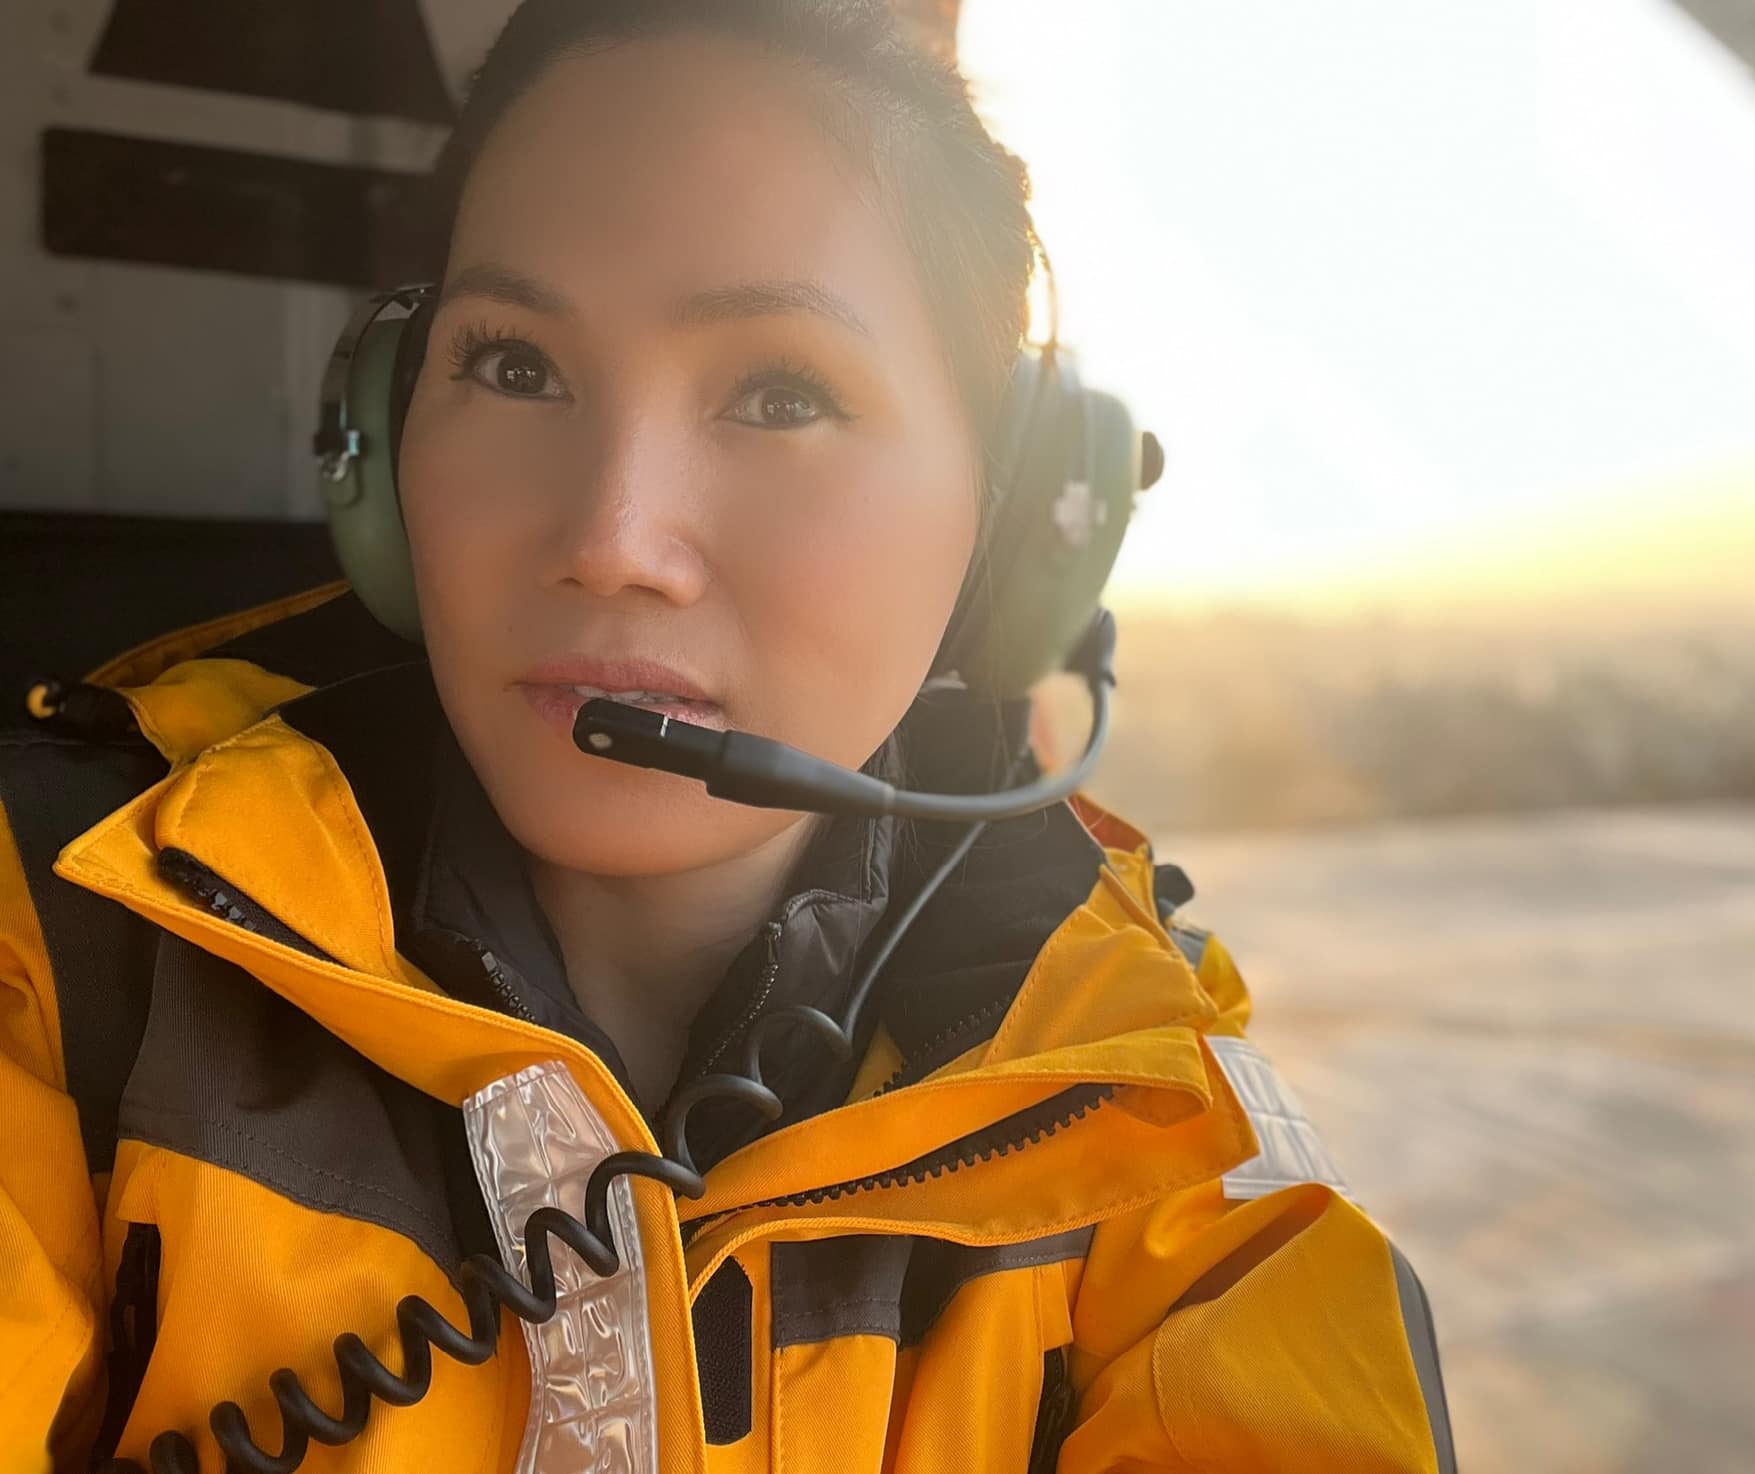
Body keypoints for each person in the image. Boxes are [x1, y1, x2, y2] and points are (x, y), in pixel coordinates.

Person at [0, 1, 1452, 1469]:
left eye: (781, 392)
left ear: (1008, 516)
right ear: (382, 435)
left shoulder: (1151, 1115)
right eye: (513, 365)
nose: (613, 539)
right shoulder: (52, 948)